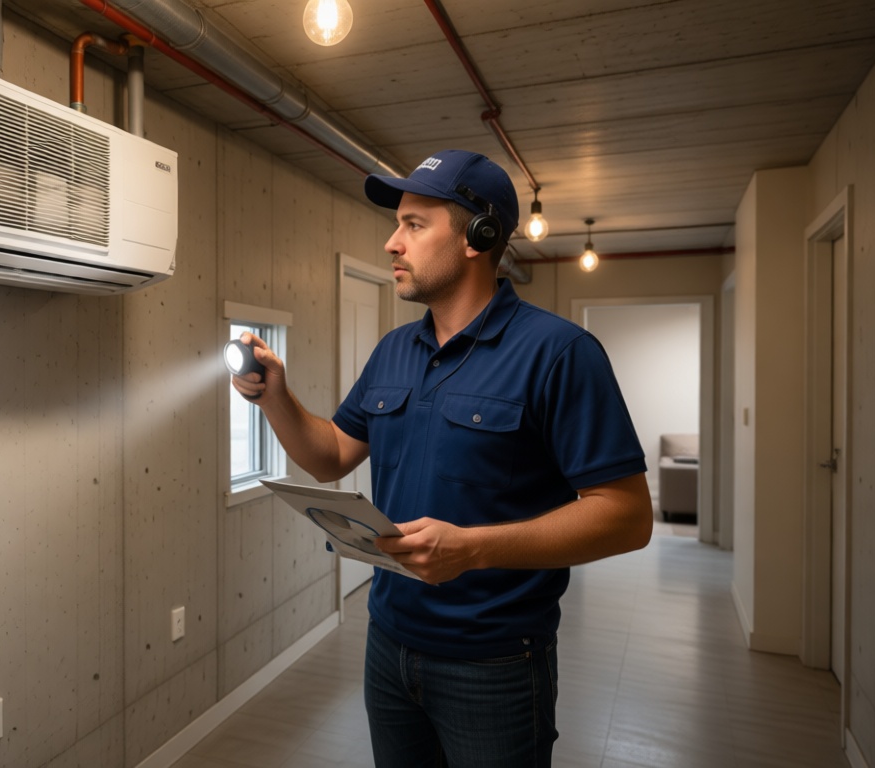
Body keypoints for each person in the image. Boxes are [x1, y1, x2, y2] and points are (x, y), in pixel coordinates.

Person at [230, 149, 652, 767]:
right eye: (397, 223)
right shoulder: (394, 350)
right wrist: (276, 397)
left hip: (497, 659)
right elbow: (331, 458)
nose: (391, 243)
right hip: (389, 643)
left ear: (478, 236)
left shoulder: (560, 352)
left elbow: (627, 516)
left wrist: (474, 548)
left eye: (414, 224)